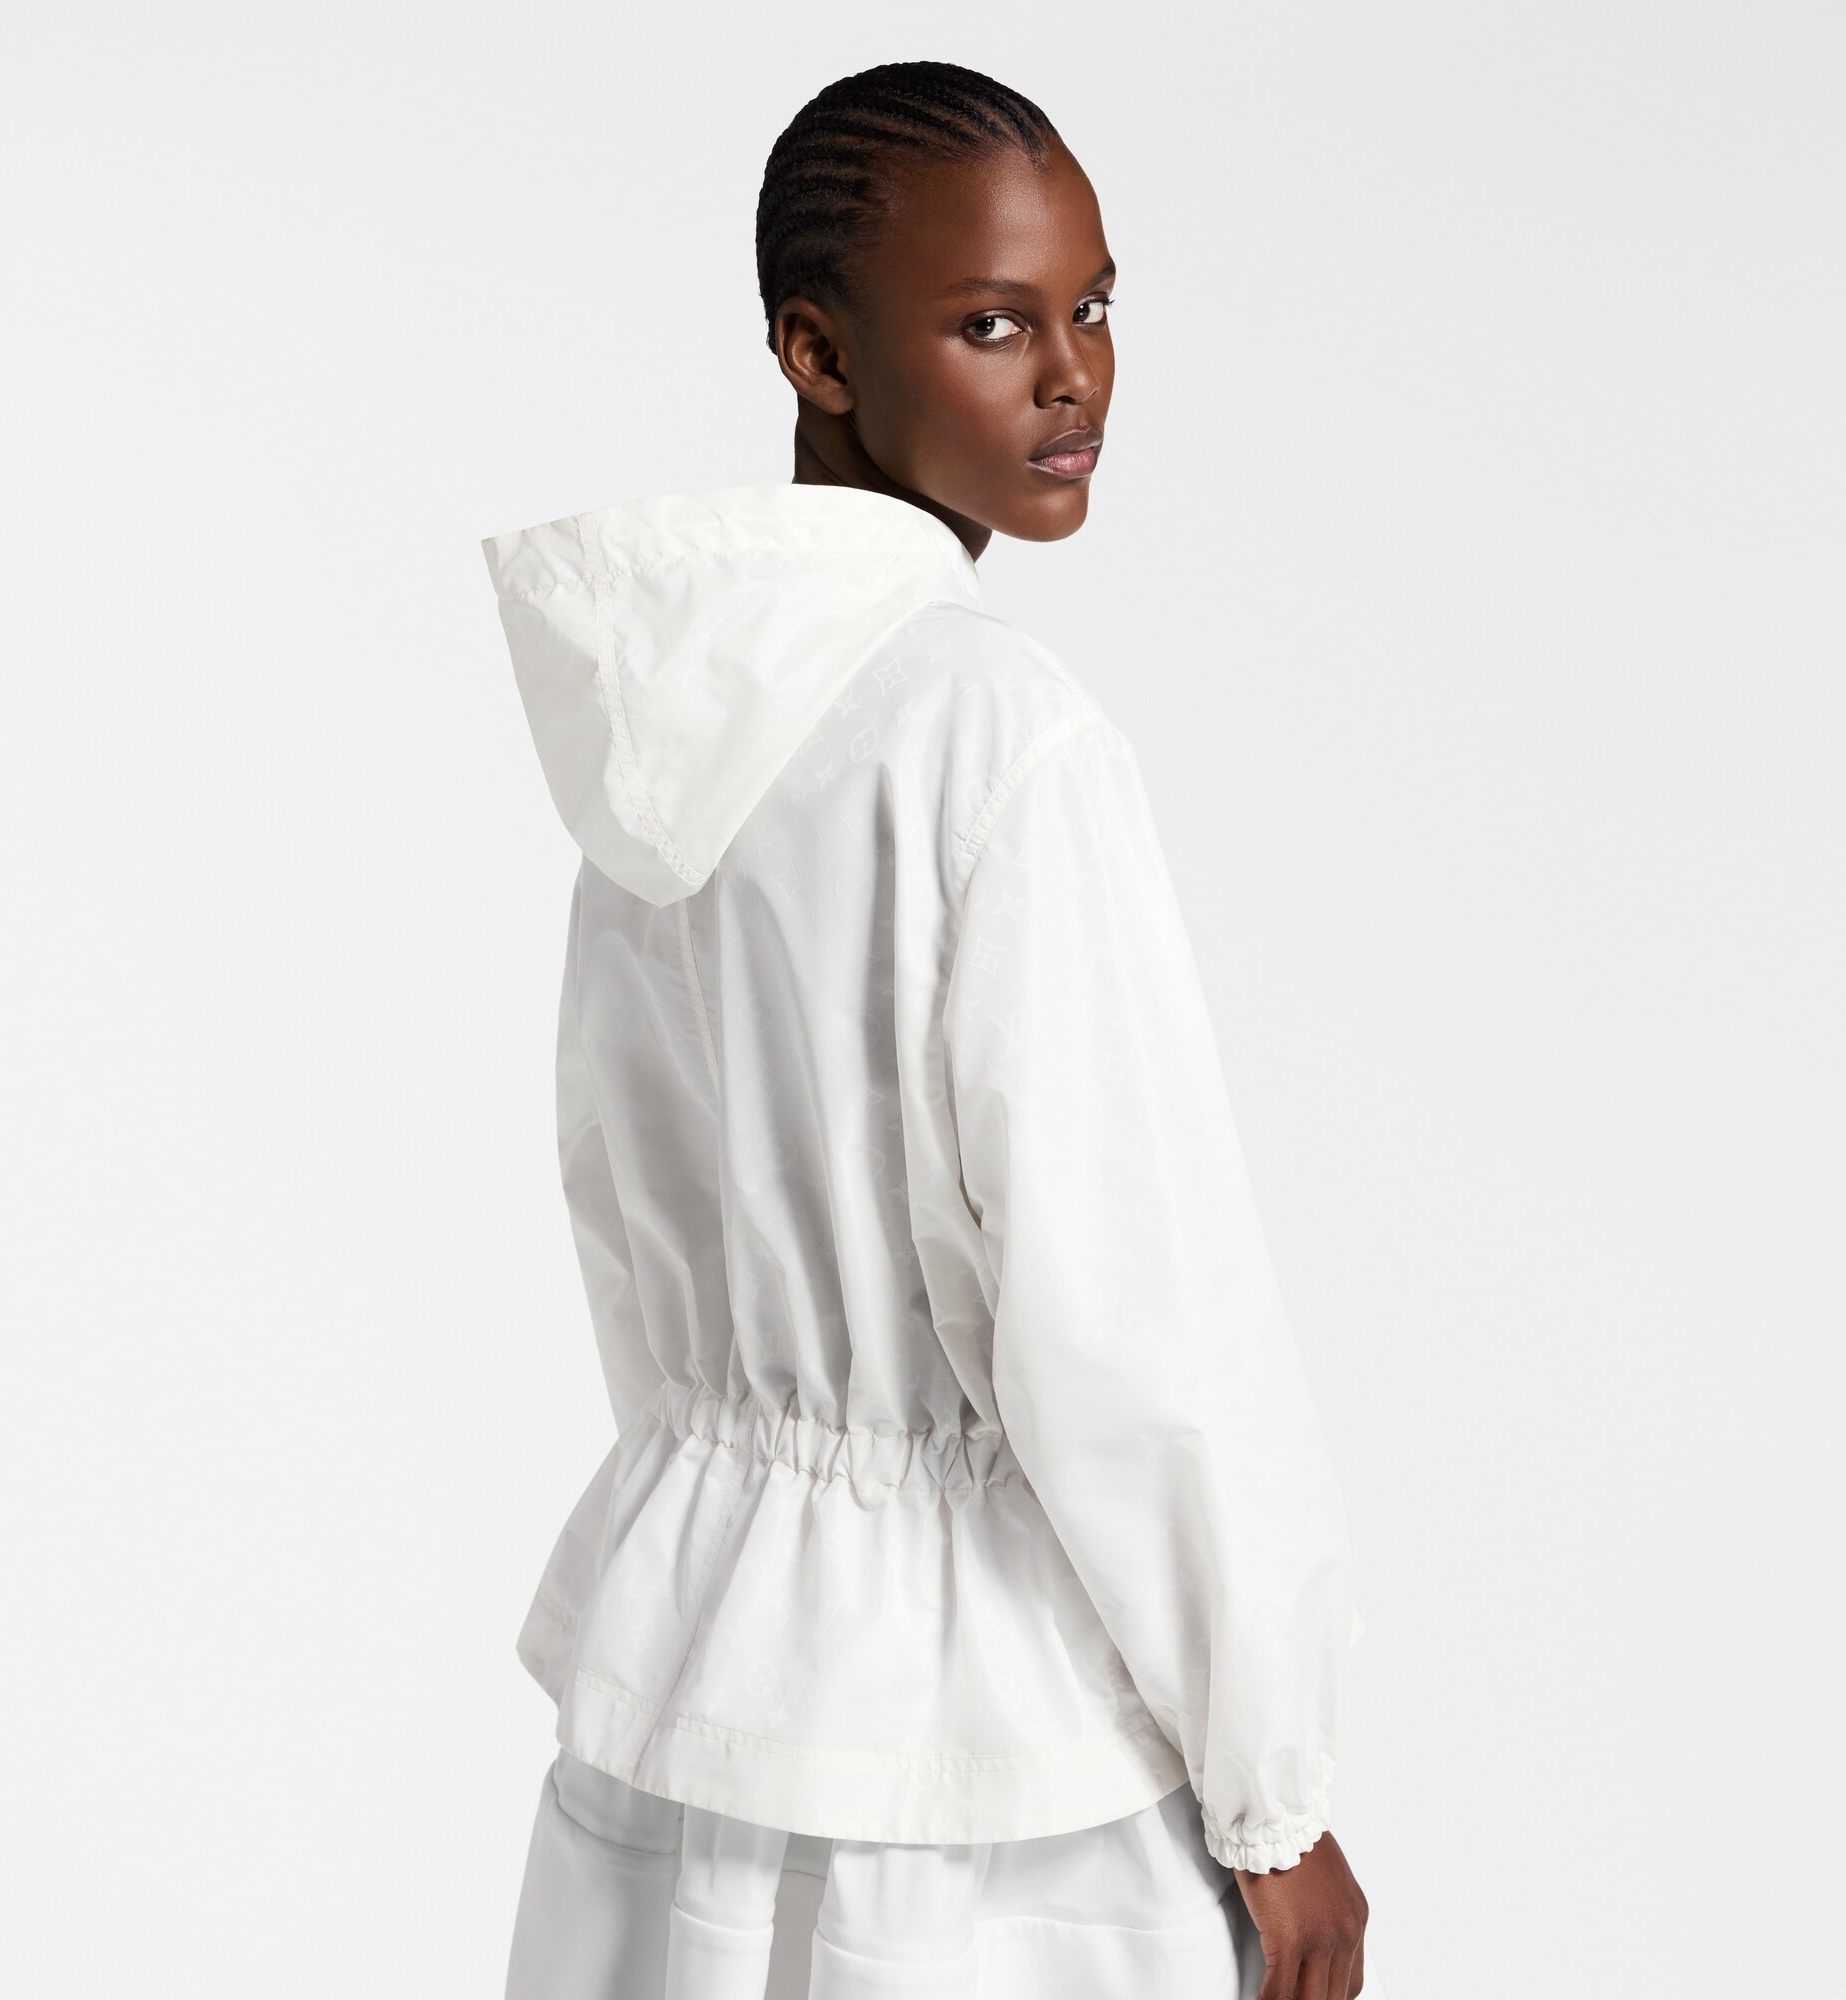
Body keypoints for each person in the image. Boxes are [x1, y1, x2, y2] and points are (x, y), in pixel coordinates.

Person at [484, 60, 1385, 2000]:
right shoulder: (997, 734)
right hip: (988, 1777)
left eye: (1093, 307)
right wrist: (1275, 1793)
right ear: (816, 352)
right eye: (990, 323)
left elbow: (622, 1213)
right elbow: (1129, 1314)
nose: (1071, 376)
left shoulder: (669, 743)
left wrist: (739, 1521)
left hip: (688, 1691)